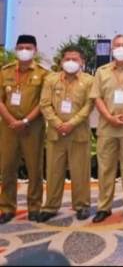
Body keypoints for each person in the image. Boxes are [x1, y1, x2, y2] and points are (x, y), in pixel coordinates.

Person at [90, 34, 123, 223]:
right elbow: (97, 97)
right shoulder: (101, 71)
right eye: (117, 45)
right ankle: (104, 207)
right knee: (106, 168)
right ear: (112, 49)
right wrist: (108, 117)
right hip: (107, 127)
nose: (121, 48)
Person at [37, 46, 94, 222]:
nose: (70, 62)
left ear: (82, 62)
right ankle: (50, 207)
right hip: (56, 134)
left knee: (80, 172)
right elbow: (44, 104)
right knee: (53, 172)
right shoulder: (51, 79)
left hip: (79, 134)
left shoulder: (89, 81)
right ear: (61, 61)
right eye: (67, 59)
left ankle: (82, 205)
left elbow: (89, 106)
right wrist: (57, 123)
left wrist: (71, 123)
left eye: (75, 59)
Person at [0, 35, 48, 223]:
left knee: (34, 168)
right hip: (8, 126)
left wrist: (26, 121)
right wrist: (12, 120)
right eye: (20, 47)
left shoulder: (43, 74)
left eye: (28, 47)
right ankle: (7, 207)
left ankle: (34, 207)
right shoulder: (5, 72)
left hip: (32, 127)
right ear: (16, 49)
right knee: (7, 167)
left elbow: (43, 102)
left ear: (35, 50)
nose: (24, 51)